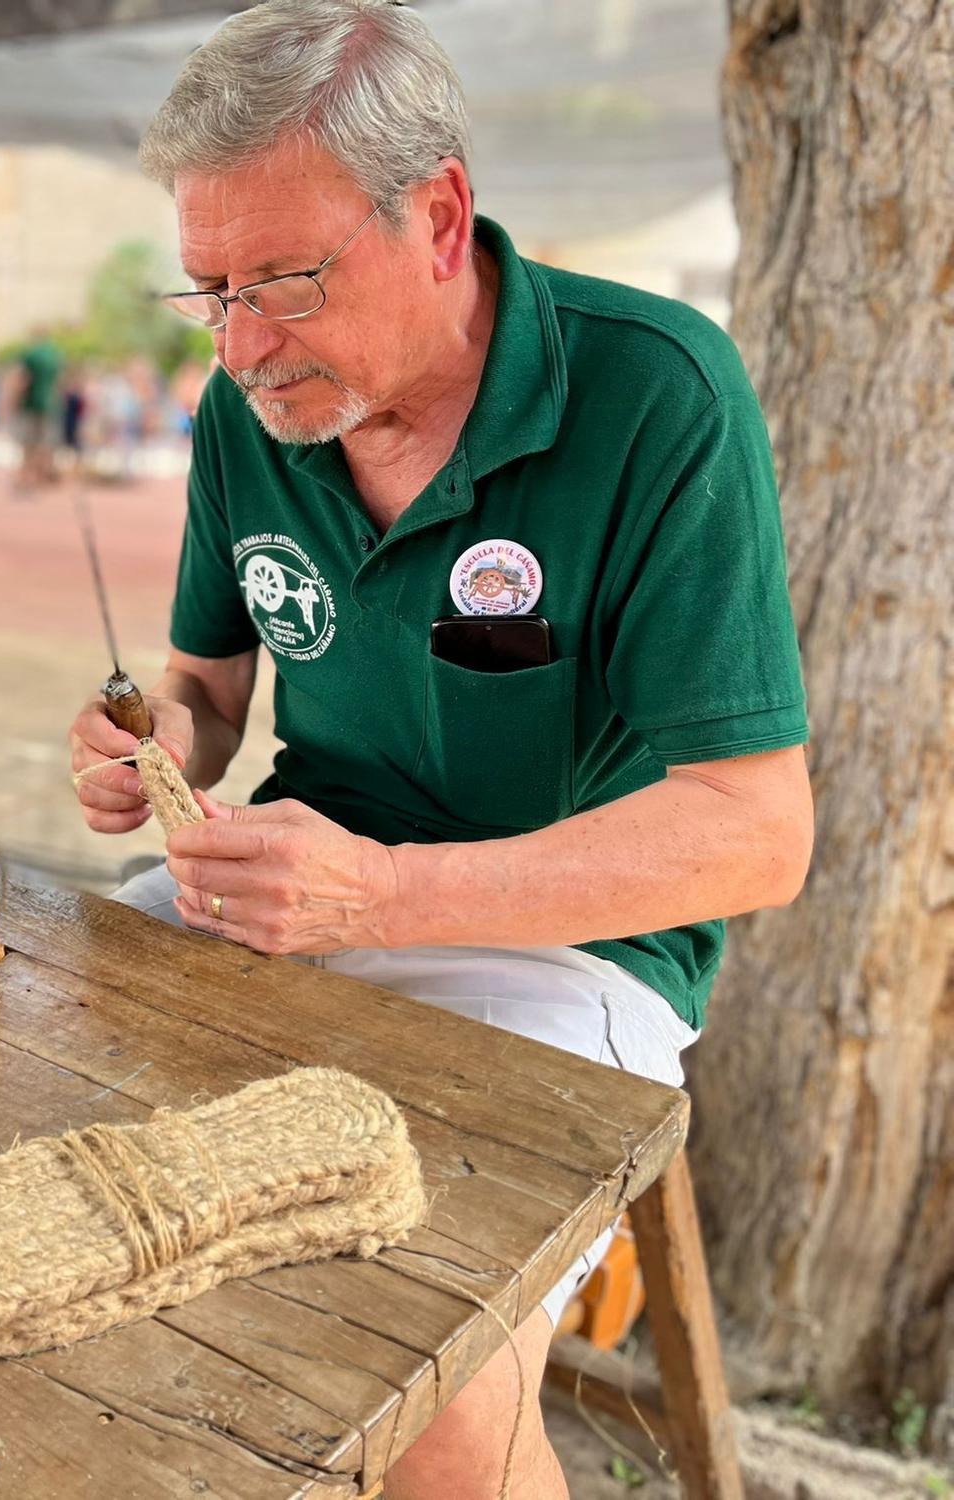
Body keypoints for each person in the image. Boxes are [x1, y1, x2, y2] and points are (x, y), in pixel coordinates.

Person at [68, 5, 812, 1496]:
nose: (240, 345)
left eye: (280, 282)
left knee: (432, 1400)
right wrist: (160, 740)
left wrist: (385, 898)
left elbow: (757, 832)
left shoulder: (655, 391)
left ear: (440, 214)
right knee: (34, 1209)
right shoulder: (247, 405)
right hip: (278, 904)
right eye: (206, 290)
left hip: (562, 957)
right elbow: (210, 683)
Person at [8, 325, 63, 492]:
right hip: (49, 404)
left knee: (28, 444)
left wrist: (14, 401)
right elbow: (58, 382)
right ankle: (40, 476)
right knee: (43, 442)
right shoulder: (55, 355)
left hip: (31, 403)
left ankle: (26, 479)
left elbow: (23, 379)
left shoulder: (30, 355)